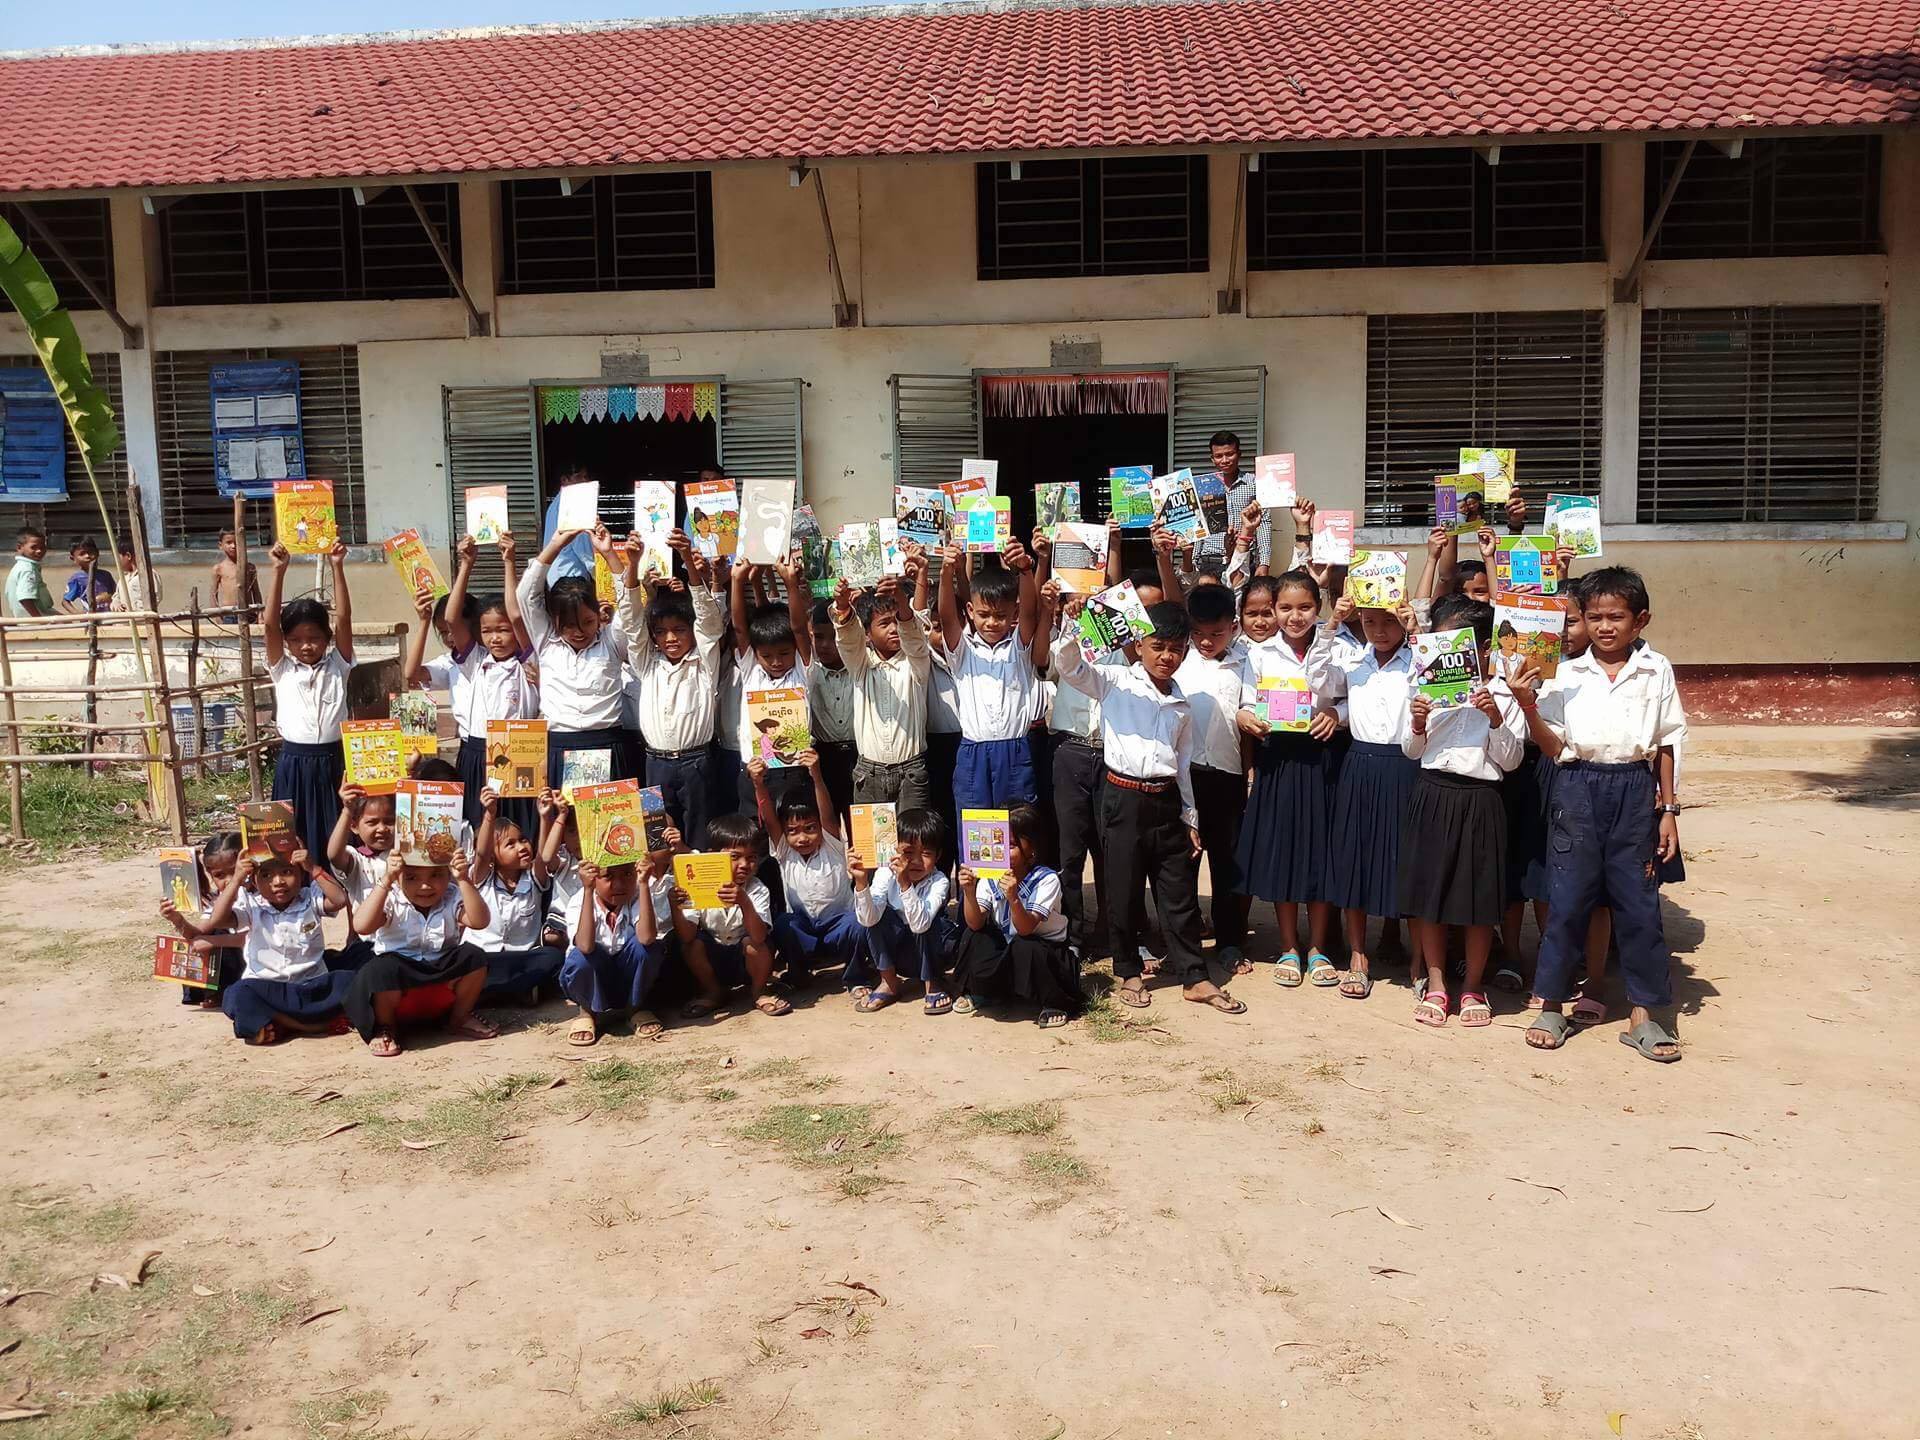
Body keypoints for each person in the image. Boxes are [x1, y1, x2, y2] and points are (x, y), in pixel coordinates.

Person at [1515, 566, 1686, 1063]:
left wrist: (1669, 810)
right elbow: (1551, 747)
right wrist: (1527, 706)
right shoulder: (1564, 674)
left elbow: (1668, 741)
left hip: (1636, 789)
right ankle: (1550, 1005)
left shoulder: (1657, 669)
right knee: (1568, 900)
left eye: (1616, 617)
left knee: (1638, 904)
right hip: (1577, 787)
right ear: (1582, 621)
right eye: (1594, 618)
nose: (1605, 627)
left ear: (1640, 620)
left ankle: (1643, 1016)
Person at [1054, 597, 1242, 1015]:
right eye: (1158, 646)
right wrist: (1072, 626)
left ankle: (1194, 976)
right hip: (1122, 796)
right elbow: (1069, 667)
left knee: (1178, 891)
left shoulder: (1181, 702)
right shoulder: (1114, 680)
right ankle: (1129, 971)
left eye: (1175, 649)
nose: (1167, 656)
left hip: (1167, 801)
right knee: (1122, 887)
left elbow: (1183, 764)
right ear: (1139, 645)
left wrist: (1190, 817)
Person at [1398, 593, 1525, 1030]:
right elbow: (1412, 750)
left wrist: (1494, 718)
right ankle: (1436, 984)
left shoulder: (1504, 694)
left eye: (1461, 642)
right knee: (1430, 898)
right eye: (1442, 638)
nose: (1449, 649)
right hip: (1432, 793)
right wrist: (1417, 723)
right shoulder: (1421, 687)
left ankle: (1472, 986)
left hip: (1481, 801)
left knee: (1476, 901)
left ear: (1483, 648)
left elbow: (1510, 761)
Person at [1233, 569, 1339, 986]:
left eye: (1305, 607)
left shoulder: (1337, 646)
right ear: (1274, 610)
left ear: (1319, 607)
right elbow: (1244, 702)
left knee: (1321, 850)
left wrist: (1335, 714)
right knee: (1284, 851)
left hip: (1323, 758)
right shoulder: (1257, 654)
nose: (1295, 617)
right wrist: (1246, 718)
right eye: (1286, 608)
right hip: (1278, 760)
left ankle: (1318, 948)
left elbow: (1349, 697)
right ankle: (1289, 947)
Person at [1319, 594, 1419, 999]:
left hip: (1407, 765)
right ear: (1360, 620)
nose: (1380, 631)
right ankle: (1358, 957)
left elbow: (1442, 680)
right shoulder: (1353, 660)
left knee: (1408, 862)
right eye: (1371, 621)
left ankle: (1419, 963)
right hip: (1359, 763)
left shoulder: (1416, 659)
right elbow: (1320, 682)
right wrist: (1331, 625)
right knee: (1355, 858)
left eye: (1389, 622)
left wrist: (1418, 633)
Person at [406, 534, 539, 833]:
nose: (496, 638)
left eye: (503, 630)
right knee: (478, 826)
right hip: (476, 752)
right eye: (488, 631)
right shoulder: (473, 659)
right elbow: (452, 619)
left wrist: (508, 562)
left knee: (518, 828)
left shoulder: (528, 660)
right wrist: (467, 563)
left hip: (520, 750)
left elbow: (516, 614)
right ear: (478, 633)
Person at [187, 846, 353, 1045]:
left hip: (312, 987)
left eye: (287, 872)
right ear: (255, 881)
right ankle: (309, 1025)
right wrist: (238, 879)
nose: (278, 882)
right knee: (237, 994)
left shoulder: (309, 898)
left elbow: (340, 899)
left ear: (300, 872)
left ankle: (281, 1022)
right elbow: (218, 920)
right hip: (268, 989)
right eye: (266, 875)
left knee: (350, 980)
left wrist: (314, 868)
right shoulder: (252, 905)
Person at [623, 533, 725, 849]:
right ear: (653, 636)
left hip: (698, 763)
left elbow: (709, 620)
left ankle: (702, 894)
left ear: (691, 633)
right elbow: (631, 623)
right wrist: (633, 565)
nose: (670, 638)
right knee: (657, 838)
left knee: (700, 836)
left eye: (679, 630)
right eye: (662, 632)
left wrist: (688, 565)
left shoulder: (705, 661)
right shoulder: (647, 663)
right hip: (656, 762)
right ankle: (661, 894)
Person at [520, 523, 640, 789]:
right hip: (558, 746)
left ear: (598, 615)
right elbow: (527, 595)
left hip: (608, 744)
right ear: (555, 621)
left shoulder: (611, 641)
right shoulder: (546, 642)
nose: (579, 632)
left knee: (610, 828)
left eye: (587, 622)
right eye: (569, 625)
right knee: (563, 826)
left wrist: (609, 555)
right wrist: (555, 546)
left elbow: (630, 608)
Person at [345, 848, 496, 1057]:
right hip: (400, 977)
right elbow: (362, 926)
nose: (425, 886)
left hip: (441, 972)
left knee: (474, 956)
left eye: (436, 875)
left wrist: (463, 879)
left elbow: (480, 922)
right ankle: (386, 1027)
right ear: (399, 879)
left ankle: (458, 1018)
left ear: (447, 874)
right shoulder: (392, 898)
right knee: (378, 970)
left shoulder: (452, 896)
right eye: (412, 877)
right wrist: (386, 880)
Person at [1173, 581, 1252, 974]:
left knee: (1227, 862)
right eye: (1199, 634)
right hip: (1185, 777)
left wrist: (1249, 718)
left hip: (1227, 774)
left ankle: (1231, 941)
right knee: (1182, 863)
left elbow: (1252, 705)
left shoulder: (1246, 662)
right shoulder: (1179, 662)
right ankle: (1183, 942)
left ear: (1233, 627)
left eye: (1217, 634)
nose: (1207, 642)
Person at [935, 539, 1042, 815]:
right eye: (983, 615)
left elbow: (1031, 612)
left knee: (1017, 829)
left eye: (1000, 615)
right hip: (973, 754)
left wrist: (1026, 571)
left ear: (1013, 614)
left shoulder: (1019, 648)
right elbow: (947, 618)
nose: (992, 622)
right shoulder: (963, 651)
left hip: (1016, 752)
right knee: (977, 833)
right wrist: (947, 571)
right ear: (970, 611)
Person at [951, 801, 1081, 1027]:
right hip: (1010, 948)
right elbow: (975, 922)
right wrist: (969, 892)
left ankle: (1053, 1001)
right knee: (974, 937)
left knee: (1024, 944)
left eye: (1010, 845)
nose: (1001, 852)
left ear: (1031, 849)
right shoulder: (990, 877)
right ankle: (985, 991)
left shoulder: (1046, 879)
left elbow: (1026, 927)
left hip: (1047, 954)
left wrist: (1013, 898)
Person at [265, 540, 354, 861]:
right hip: (295, 763)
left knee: (336, 826)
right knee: (293, 832)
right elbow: (269, 624)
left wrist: (337, 566)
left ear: (327, 640)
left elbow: (343, 619)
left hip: (334, 760)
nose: (306, 646)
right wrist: (279, 571)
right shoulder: (282, 668)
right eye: (297, 640)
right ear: (287, 642)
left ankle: (336, 883)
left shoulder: (338, 665)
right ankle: (297, 888)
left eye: (314, 638)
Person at [753, 749, 865, 989]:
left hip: (838, 926)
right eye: (792, 831)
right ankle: (799, 972)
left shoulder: (831, 844)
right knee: (783, 923)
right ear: (784, 833)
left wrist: (815, 774)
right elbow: (770, 817)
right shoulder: (784, 850)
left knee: (858, 922)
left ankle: (856, 976)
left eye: (810, 828)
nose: (802, 838)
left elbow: (825, 812)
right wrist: (758, 784)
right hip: (805, 931)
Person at [833, 571, 934, 812]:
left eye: (896, 621)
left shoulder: (914, 663)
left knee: (913, 842)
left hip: (912, 772)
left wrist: (901, 602)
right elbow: (847, 640)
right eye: (884, 623)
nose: (894, 629)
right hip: (869, 773)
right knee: (874, 847)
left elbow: (915, 639)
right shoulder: (861, 665)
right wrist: (843, 607)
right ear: (867, 633)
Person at [673, 811, 786, 1017]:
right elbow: (687, 936)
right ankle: (713, 992)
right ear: (713, 856)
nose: (744, 865)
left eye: (751, 858)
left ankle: (759, 991)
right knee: (692, 946)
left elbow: (760, 936)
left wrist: (744, 901)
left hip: (744, 960)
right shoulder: (698, 886)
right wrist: (676, 906)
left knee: (754, 945)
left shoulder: (757, 888)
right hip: (714, 958)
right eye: (734, 857)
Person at [561, 849, 675, 1048]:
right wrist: (588, 891)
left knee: (650, 948)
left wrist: (643, 883)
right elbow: (586, 946)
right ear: (594, 877)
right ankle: (587, 1010)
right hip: (594, 978)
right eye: (608, 877)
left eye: (628, 874)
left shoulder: (639, 894)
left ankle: (635, 1007)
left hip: (627, 978)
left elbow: (647, 937)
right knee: (581, 957)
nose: (620, 885)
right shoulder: (578, 901)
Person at [729, 552, 814, 816]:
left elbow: (799, 630)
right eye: (767, 656)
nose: (776, 662)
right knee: (755, 837)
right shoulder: (752, 671)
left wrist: (790, 584)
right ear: (756, 654)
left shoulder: (802, 672)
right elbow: (741, 629)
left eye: (784, 654)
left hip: (793, 771)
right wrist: (736, 581)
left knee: (794, 836)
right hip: (755, 770)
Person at [848, 807, 954, 1014]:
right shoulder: (885, 873)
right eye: (907, 852)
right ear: (893, 850)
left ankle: (932, 984)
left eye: (926, 853)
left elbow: (920, 924)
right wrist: (861, 883)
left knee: (929, 920)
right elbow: (868, 921)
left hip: (931, 954)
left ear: (938, 855)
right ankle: (889, 982)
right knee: (879, 915)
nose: (915, 861)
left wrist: (905, 884)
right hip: (896, 955)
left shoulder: (939, 880)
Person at [466, 788, 565, 1004]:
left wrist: (545, 816)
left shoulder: (533, 879)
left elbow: (543, 855)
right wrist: (490, 814)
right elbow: (481, 855)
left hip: (522, 958)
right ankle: (515, 991)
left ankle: (492, 993)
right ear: (493, 856)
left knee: (553, 958)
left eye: (522, 840)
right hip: (485, 958)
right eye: (510, 844)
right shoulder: (481, 879)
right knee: (466, 962)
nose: (521, 847)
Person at [158, 832, 246, 1008]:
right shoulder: (216, 899)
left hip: (258, 959)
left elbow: (259, 937)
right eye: (220, 876)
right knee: (194, 944)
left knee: (216, 934)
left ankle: (226, 990)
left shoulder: (256, 894)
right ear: (210, 875)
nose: (229, 881)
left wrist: (214, 941)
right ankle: (216, 990)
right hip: (236, 961)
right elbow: (198, 934)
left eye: (233, 872)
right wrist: (177, 920)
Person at [326, 782, 398, 969]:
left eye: (390, 821)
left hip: (401, 940)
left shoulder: (405, 855)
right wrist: (347, 810)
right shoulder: (357, 860)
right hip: (369, 943)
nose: (382, 828)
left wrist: (412, 775)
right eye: (372, 822)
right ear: (355, 826)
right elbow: (334, 854)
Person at [806, 599, 857, 829]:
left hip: (858, 757)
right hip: (822, 759)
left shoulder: (862, 668)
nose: (825, 644)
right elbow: (797, 627)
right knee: (827, 829)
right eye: (818, 636)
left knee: (861, 830)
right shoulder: (808, 672)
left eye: (833, 637)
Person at [209, 528, 262, 614]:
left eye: (237, 543)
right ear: (220, 545)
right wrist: (217, 616)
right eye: (229, 543)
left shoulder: (250, 567)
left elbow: (256, 592)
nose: (233, 546)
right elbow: (213, 595)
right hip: (229, 614)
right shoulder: (219, 569)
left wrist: (260, 614)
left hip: (249, 612)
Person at [6, 525, 52, 618]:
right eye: (33, 547)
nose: (39, 551)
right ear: (19, 548)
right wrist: (39, 620)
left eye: (42, 547)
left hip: (28, 616)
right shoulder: (28, 570)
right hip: (32, 619)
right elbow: (25, 598)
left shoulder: (23, 566)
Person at [61, 536, 115, 613]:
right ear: (73, 558)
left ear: (97, 553)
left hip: (109, 617)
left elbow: (116, 594)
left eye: (90, 552)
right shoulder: (77, 579)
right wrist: (78, 615)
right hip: (90, 620)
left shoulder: (106, 575)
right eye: (82, 554)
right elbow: (65, 602)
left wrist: (107, 597)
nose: (87, 556)